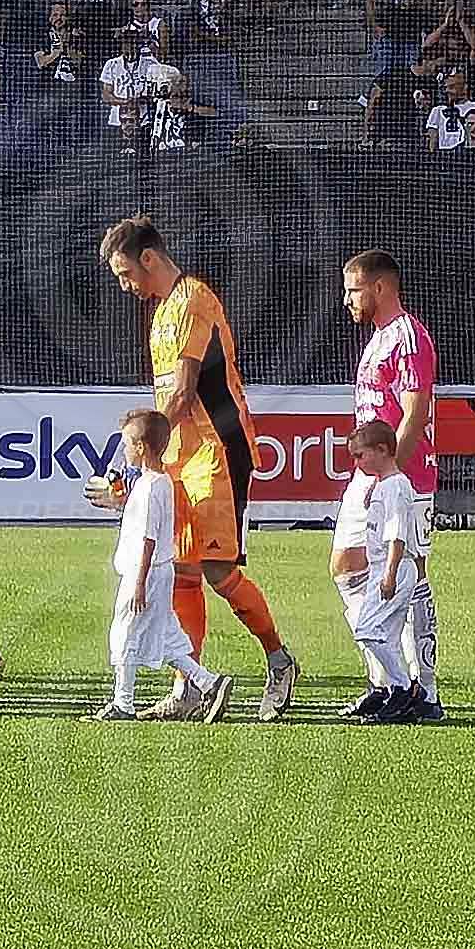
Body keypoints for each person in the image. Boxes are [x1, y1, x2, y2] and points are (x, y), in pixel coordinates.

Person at [95, 215, 297, 718]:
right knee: (179, 569)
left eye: (126, 274)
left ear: (148, 258)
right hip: (180, 456)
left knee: (217, 568)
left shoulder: (191, 300)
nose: (126, 286)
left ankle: (279, 661)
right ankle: (189, 685)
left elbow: (184, 394)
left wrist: (137, 463)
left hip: (218, 452)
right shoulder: (160, 311)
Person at [339, 251, 440, 710]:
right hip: (370, 477)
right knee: (345, 564)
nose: (347, 300)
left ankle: (423, 690)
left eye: (353, 290)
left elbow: (415, 412)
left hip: (403, 477)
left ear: (379, 288)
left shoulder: (408, 337)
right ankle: (386, 679)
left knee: (409, 575)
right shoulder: (377, 339)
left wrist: (391, 474)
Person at [88, 409, 231, 723]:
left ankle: (122, 703)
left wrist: (139, 583)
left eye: (126, 444)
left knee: (125, 632)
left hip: (146, 572)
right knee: (167, 637)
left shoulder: (152, 487)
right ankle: (210, 683)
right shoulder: (158, 482)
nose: (123, 451)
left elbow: (149, 538)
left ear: (141, 448)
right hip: (158, 572)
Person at [332, 421, 435, 723]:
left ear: (382, 451)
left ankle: (403, 687)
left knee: (367, 629)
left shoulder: (397, 487)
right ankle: (392, 692)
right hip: (384, 568)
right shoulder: (385, 485)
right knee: (384, 636)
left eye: (360, 456)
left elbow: (397, 534)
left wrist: (389, 573)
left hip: (393, 569)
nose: (356, 463)